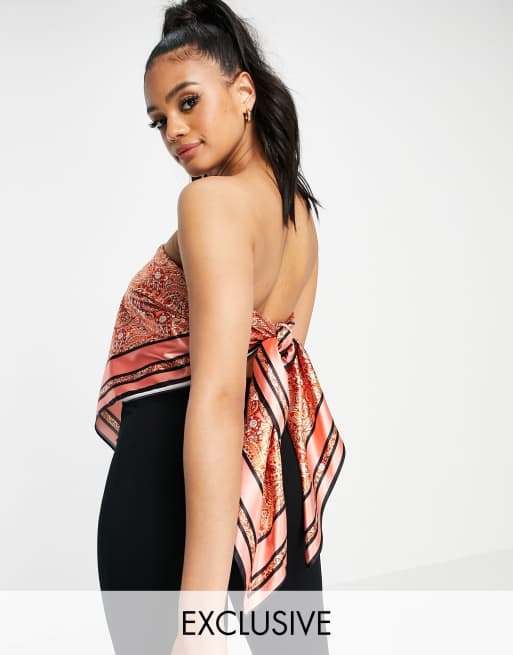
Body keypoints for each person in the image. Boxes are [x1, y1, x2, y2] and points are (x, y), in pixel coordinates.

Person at [95, 1, 346, 653]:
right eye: (159, 119)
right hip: (275, 492)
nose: (174, 131)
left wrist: (198, 619)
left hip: (170, 503)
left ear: (243, 92)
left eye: (187, 102)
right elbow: (276, 379)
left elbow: (220, 394)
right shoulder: (299, 217)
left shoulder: (208, 201)